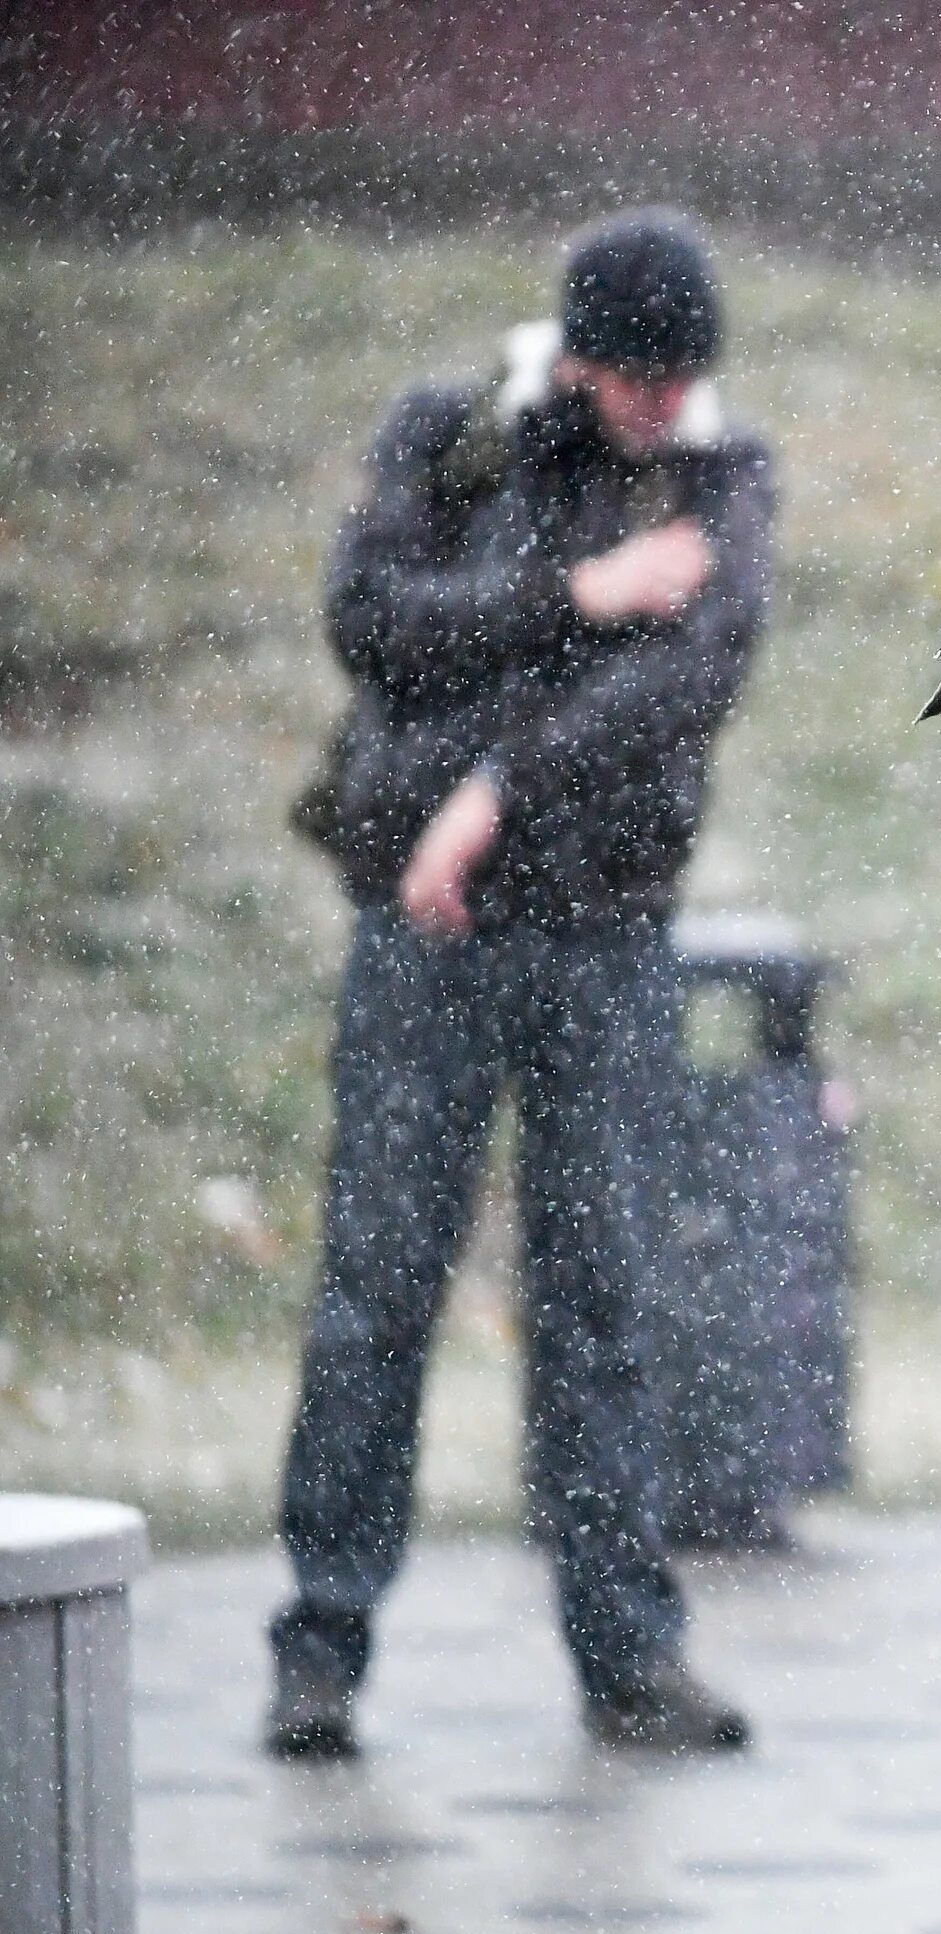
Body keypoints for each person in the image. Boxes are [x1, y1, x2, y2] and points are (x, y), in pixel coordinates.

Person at [268, 208, 770, 1758]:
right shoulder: (456, 433)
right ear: (582, 355)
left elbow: (688, 684)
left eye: (684, 381)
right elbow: (369, 628)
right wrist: (583, 598)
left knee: (602, 1296)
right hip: (424, 932)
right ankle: (322, 1647)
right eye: (641, 382)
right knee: (377, 1286)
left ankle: (627, 1655)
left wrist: (496, 785)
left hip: (605, 927)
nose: (664, 410)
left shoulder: (723, 470)